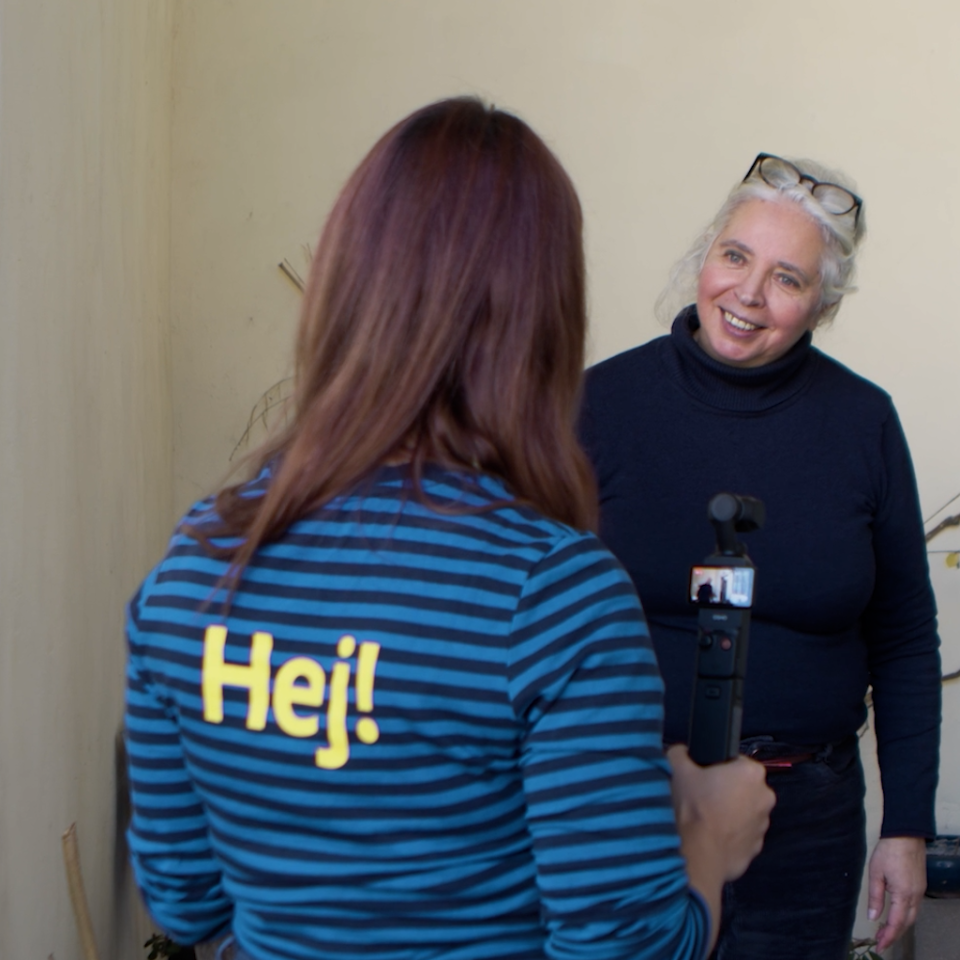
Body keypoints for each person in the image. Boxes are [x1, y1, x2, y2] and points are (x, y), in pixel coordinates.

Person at [124, 99, 774, 960]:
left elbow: (187, 903)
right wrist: (707, 836)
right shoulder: (554, 599)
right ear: (543, 320)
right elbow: (626, 952)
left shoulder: (193, 566)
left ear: (346, 290)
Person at [580, 153, 942, 960]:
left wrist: (907, 827)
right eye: (735, 256)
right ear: (704, 256)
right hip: (632, 801)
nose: (746, 294)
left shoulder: (863, 423)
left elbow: (907, 637)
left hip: (807, 817)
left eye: (787, 278)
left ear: (823, 304)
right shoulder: (599, 405)